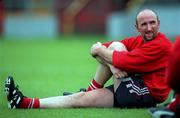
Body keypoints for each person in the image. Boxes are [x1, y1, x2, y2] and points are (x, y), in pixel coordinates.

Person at [5, 9, 172, 109]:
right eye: (144, 24)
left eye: (152, 23)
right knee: (79, 99)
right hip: (132, 88)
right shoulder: (138, 40)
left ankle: (91, 89)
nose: (149, 28)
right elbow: (97, 50)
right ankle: (23, 102)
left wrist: (106, 55)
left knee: (115, 47)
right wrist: (109, 61)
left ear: (159, 23)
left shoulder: (161, 45)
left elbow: (112, 55)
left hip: (144, 95)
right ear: (137, 27)